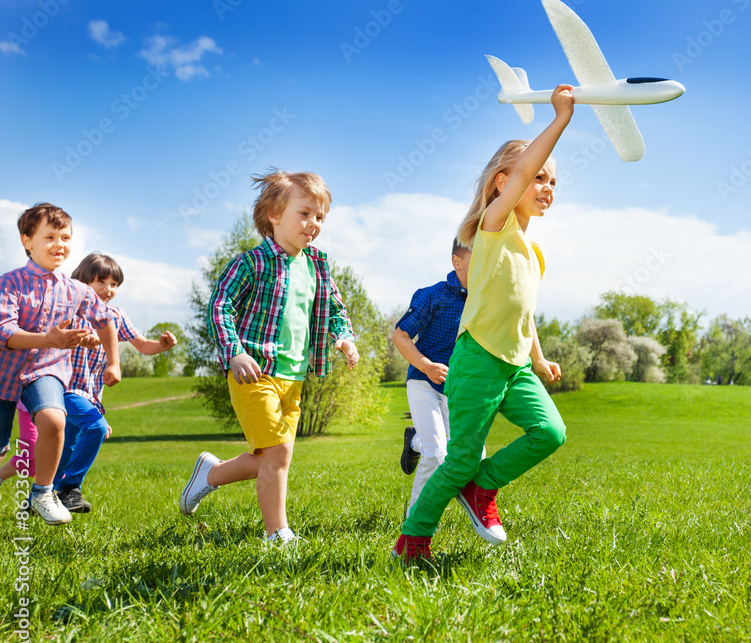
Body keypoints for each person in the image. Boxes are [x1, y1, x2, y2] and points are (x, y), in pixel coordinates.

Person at [392, 86, 574, 562]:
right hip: (475, 362)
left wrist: (538, 357)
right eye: (538, 176)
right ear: (502, 183)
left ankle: (481, 488)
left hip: (514, 366)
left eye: (554, 181)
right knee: (458, 461)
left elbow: (524, 311)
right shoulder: (493, 228)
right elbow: (519, 181)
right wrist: (559, 121)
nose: (546, 187)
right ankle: (413, 541)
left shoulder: (533, 253)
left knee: (550, 433)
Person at [180, 170, 359, 544]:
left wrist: (343, 337)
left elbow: (336, 308)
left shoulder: (318, 266)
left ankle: (209, 475)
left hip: (294, 377)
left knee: (271, 458)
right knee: (278, 453)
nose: (313, 224)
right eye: (305, 213)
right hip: (254, 373)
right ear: (275, 215)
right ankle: (277, 533)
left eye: (320, 217)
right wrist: (235, 352)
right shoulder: (252, 263)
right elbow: (219, 307)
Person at [0, 203, 120, 526]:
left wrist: (113, 361)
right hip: (4, 374)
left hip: (46, 372)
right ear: (27, 241)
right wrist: (49, 339)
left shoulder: (76, 290)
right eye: (49, 236)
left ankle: (42, 492)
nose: (59, 244)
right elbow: (5, 332)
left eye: (65, 237)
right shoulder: (10, 283)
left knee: (54, 421)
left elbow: (106, 319)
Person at [56, 252, 178, 512]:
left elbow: (142, 344)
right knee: (96, 428)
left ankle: (44, 495)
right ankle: (69, 488)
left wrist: (162, 346)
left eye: (114, 284)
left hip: (90, 394)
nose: (108, 289)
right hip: (64, 388)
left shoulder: (114, 315)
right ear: (83, 280)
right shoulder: (70, 309)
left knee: (67, 445)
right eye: (101, 282)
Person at [392, 239, 474, 516]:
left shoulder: (483, 301)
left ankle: (415, 440)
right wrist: (426, 365)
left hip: (458, 387)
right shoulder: (432, 295)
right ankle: (415, 521)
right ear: (457, 262)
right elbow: (400, 336)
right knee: (436, 454)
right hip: (422, 381)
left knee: (471, 453)